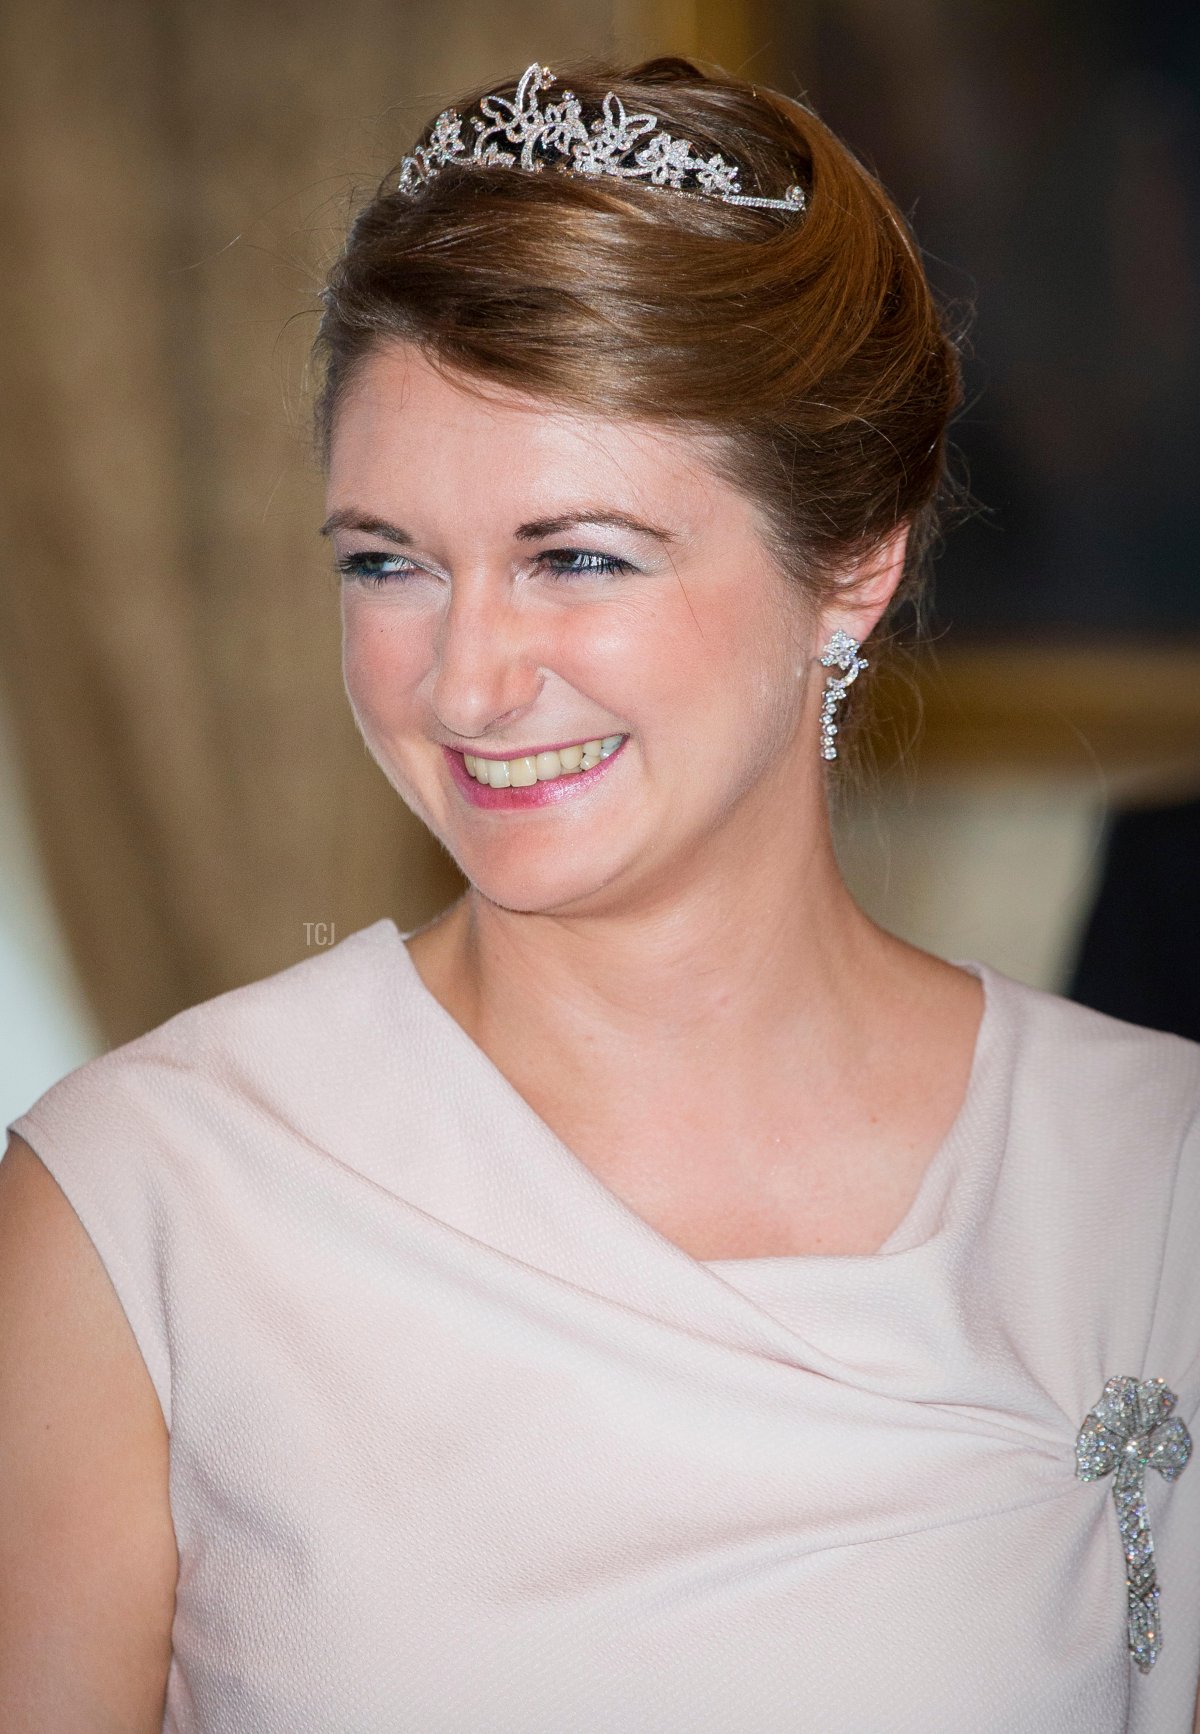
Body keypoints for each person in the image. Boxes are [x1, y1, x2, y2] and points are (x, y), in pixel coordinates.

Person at [1, 57, 1196, 1734]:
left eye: (577, 556)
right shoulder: (139, 1205)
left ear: (852, 561)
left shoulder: (1152, 1176)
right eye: (387, 562)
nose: (468, 681)